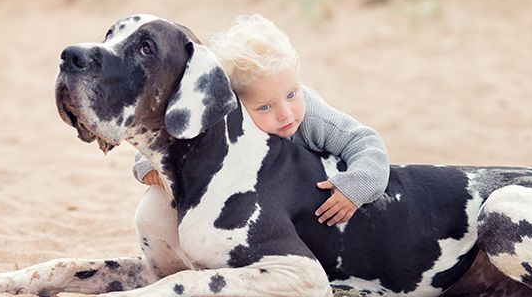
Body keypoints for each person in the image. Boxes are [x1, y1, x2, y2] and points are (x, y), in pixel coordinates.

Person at [133, 14, 389, 226]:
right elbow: (171, 140)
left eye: (292, 94)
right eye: (265, 107)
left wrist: (356, 186)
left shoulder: (310, 117)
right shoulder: (228, 119)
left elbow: (364, 141)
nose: (286, 113)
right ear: (236, 107)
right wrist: (148, 166)